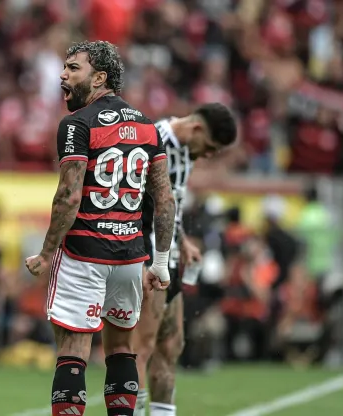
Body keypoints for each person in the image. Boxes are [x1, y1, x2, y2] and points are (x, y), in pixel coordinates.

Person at [24, 40, 176, 416]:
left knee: (74, 350)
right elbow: (164, 200)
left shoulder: (77, 124)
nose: (63, 75)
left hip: (83, 252)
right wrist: (160, 262)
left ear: (99, 78)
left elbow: (69, 198)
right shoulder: (147, 127)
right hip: (129, 255)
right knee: (122, 347)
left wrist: (46, 254)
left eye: (73, 68)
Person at [132, 104, 237, 416]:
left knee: (171, 345)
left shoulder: (186, 154)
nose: (206, 156)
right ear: (197, 130)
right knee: (141, 348)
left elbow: (168, 205)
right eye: (209, 148)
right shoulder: (151, 140)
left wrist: (183, 241)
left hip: (170, 256)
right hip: (146, 257)